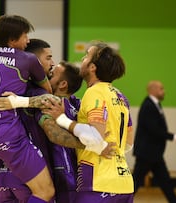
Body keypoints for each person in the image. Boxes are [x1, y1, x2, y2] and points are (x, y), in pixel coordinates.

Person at [0, 15, 54, 203]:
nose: (28, 40)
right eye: (24, 35)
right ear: (11, 40)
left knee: (1, 188)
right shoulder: (27, 59)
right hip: (8, 136)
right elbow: (47, 90)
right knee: (45, 191)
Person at [41, 42, 134, 202]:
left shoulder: (94, 93)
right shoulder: (121, 96)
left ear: (92, 67)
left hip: (98, 183)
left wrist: (62, 119)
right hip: (124, 182)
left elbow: (95, 137)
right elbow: (128, 143)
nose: (82, 59)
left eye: (86, 56)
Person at [133, 80, 176, 203]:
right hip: (147, 153)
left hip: (153, 153)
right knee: (135, 183)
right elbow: (154, 130)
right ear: (153, 90)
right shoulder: (148, 106)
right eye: (161, 88)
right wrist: (174, 137)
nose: (163, 91)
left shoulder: (155, 104)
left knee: (165, 183)